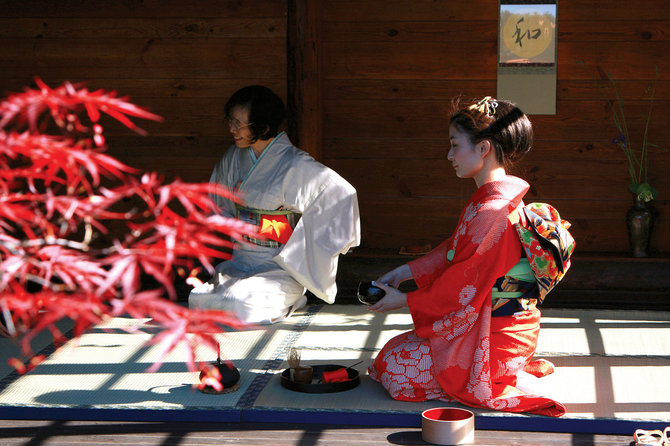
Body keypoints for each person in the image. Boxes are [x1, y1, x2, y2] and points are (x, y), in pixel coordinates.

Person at [367, 96, 566, 417]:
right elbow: (453, 251)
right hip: (491, 324)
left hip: (496, 334)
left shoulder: (492, 210)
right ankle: (501, 368)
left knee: (396, 368)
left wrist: (405, 301)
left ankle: (495, 373)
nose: (449, 155)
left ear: (483, 148)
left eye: (454, 145)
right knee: (392, 352)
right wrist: (406, 271)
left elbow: (462, 283)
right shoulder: (491, 201)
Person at [188, 85, 360, 324]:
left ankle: (292, 298)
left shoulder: (294, 164)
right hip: (241, 261)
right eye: (230, 121)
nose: (232, 129)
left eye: (239, 124)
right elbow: (217, 205)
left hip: (279, 268)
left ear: (264, 126)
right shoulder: (233, 157)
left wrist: (296, 240)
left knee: (239, 305)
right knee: (199, 300)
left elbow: (341, 194)